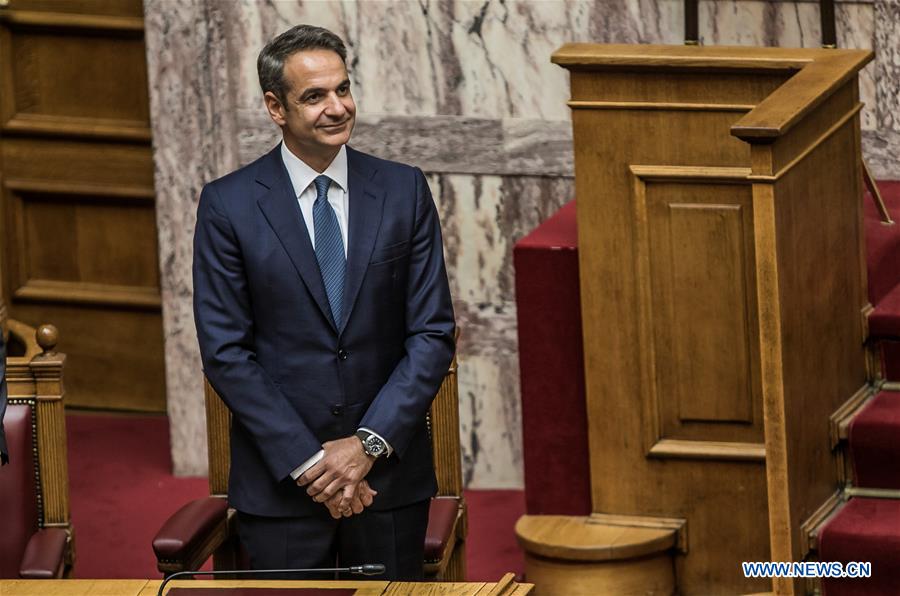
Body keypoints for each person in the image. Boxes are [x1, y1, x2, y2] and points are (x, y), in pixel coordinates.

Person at [192, 24, 455, 580]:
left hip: (387, 479)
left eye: (343, 89)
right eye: (314, 96)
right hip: (282, 485)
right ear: (275, 107)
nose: (337, 108)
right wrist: (315, 465)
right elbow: (226, 352)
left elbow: (432, 332)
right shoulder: (228, 205)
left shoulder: (403, 190)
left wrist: (367, 446)